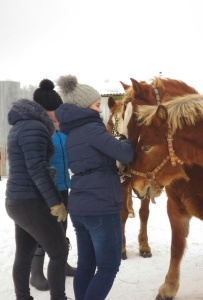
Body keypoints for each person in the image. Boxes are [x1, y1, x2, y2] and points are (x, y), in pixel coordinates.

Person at [55, 75, 135, 300]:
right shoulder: (92, 128)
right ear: (84, 105)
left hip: (80, 207)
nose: (100, 110)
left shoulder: (70, 133)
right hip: (102, 206)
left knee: (86, 266)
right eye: (97, 105)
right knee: (108, 268)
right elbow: (125, 153)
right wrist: (126, 139)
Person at [5, 99, 70, 300]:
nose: (59, 118)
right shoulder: (35, 127)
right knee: (59, 252)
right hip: (32, 201)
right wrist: (55, 202)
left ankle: (22, 297)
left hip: (17, 200)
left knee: (24, 254)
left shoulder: (20, 126)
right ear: (45, 111)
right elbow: (37, 169)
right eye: (56, 112)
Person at [29, 79, 76, 291]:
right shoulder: (38, 131)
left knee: (61, 229)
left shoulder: (62, 131)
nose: (56, 115)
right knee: (43, 232)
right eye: (52, 111)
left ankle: (61, 263)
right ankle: (36, 273)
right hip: (43, 190)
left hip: (63, 186)